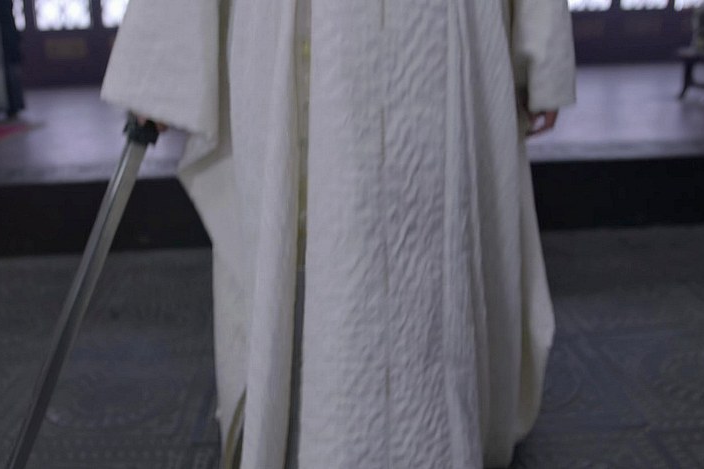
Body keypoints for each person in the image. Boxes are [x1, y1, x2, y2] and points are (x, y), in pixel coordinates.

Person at [102, 1, 575, 468]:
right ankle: (308, 438)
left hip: (439, 34)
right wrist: (157, 62)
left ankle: (433, 443)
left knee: (433, 244)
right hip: (307, 32)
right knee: (308, 231)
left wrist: (543, 47)